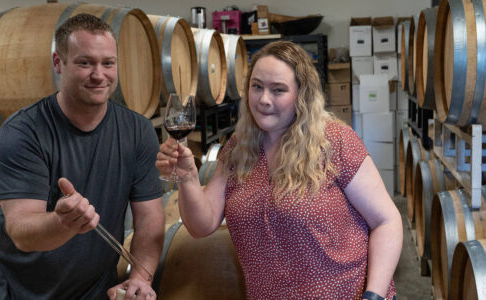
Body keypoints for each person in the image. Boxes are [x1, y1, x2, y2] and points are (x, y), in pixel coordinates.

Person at [156, 40, 403, 299]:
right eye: (257, 87)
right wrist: (187, 177)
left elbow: (387, 221)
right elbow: (201, 225)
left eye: (278, 90)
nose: (264, 99)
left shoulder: (334, 142)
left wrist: (374, 295)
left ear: (301, 95)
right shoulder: (238, 148)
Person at [0, 14, 164, 300]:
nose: (99, 74)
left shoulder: (138, 131)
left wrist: (140, 277)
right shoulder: (23, 132)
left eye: (108, 63)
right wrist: (62, 223)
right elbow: (21, 231)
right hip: (18, 292)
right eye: (85, 62)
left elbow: (150, 220)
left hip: (93, 290)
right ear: (58, 63)